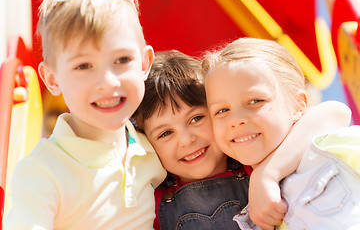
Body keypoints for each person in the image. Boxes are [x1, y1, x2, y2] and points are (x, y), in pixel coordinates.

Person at [133, 50, 351, 230]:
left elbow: (335, 112)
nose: (186, 140)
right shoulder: (151, 200)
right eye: (165, 133)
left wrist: (266, 174)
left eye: (197, 118)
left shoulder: (250, 157)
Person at [4, 0, 166, 229]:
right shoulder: (42, 174)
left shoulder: (154, 148)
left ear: (144, 64)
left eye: (122, 60)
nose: (108, 82)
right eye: (83, 66)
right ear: (52, 79)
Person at [203, 37, 359, 230]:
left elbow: (336, 112)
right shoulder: (249, 210)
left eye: (255, 101)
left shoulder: (329, 149)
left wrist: (267, 174)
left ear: (298, 105)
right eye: (222, 111)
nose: (236, 120)